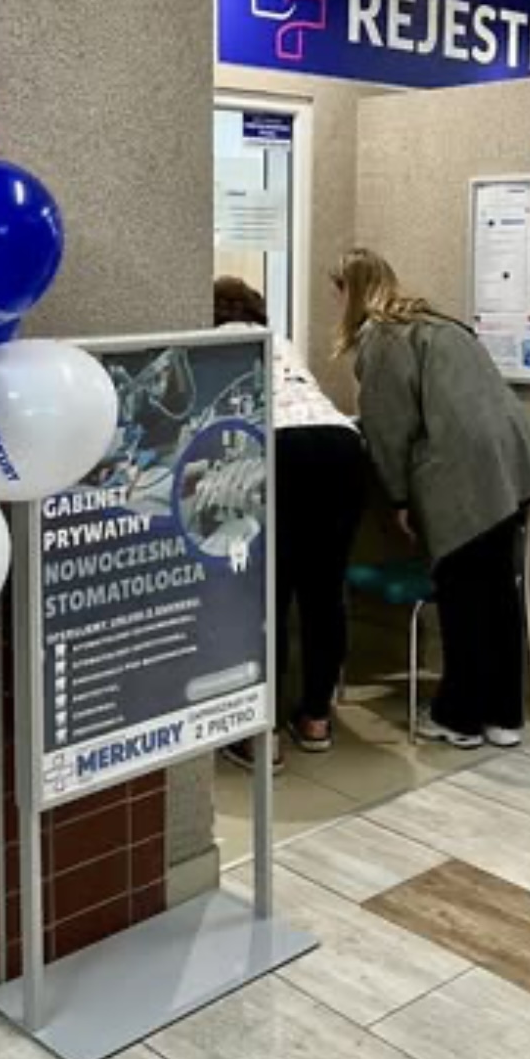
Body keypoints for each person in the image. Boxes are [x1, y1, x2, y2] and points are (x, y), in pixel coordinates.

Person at [333, 248, 530, 749]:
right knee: (497, 593)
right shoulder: (440, 324)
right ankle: (503, 717)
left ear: (349, 290)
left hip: (459, 477)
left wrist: (398, 497)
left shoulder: (382, 337)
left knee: (462, 596)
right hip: (509, 468)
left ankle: (459, 718)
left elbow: (389, 426)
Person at [213, 277, 366, 760]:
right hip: (342, 445)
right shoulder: (280, 342)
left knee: (268, 598)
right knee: (324, 594)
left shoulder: (210, 346)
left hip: (277, 448)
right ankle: (315, 719)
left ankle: (262, 734)